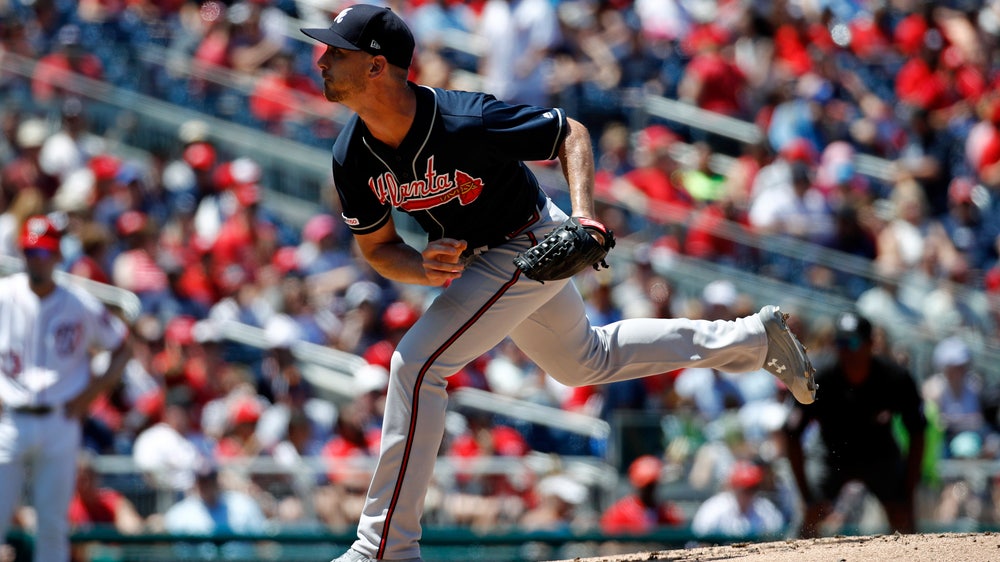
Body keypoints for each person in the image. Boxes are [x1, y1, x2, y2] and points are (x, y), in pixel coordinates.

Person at [300, 6, 816, 561]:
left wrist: (585, 215)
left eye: (337, 51)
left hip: (528, 239)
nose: (322, 59)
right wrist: (420, 267)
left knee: (417, 364)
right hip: (484, 260)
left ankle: (385, 548)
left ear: (378, 67)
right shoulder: (351, 155)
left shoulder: (464, 119)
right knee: (583, 363)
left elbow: (570, 133)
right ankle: (751, 340)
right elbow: (380, 251)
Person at [0, 215, 132, 562]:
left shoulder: (79, 303)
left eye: (44, 253)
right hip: (9, 419)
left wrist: (89, 396)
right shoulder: (4, 293)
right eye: (31, 252)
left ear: (58, 255)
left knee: (53, 525)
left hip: (60, 419)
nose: (37, 260)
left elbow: (122, 346)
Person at [784, 312, 925, 539]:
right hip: (831, 454)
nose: (846, 350)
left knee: (902, 516)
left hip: (879, 453)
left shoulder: (894, 377)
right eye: (840, 342)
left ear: (871, 344)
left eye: (854, 342)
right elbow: (791, 431)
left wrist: (907, 494)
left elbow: (918, 432)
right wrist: (806, 496)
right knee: (810, 516)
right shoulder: (817, 376)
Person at [690, 460, 785, 539]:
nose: (750, 493)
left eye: (753, 488)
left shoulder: (765, 509)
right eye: (745, 489)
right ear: (733, 487)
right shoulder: (714, 508)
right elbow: (699, 541)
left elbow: (779, 534)